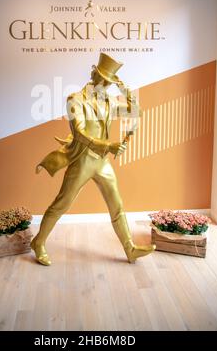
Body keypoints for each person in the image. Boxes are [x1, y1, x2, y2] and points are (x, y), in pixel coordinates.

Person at [31, 53, 156, 266]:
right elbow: (79, 133)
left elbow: (135, 111)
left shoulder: (109, 100)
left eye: (109, 83)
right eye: (104, 80)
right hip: (82, 161)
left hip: (102, 162)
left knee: (117, 205)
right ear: (94, 75)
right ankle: (38, 242)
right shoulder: (74, 100)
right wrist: (109, 145)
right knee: (62, 204)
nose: (105, 85)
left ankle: (130, 249)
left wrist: (123, 88)